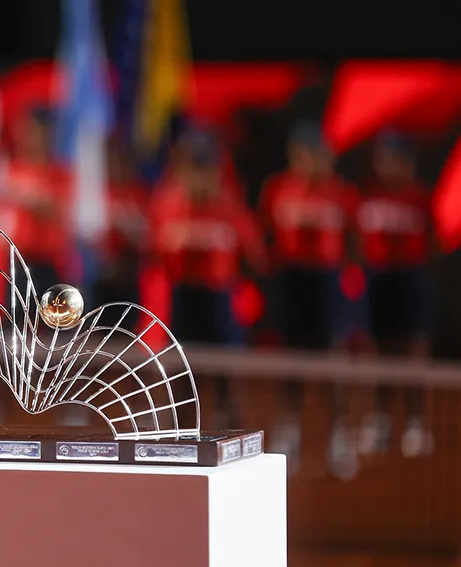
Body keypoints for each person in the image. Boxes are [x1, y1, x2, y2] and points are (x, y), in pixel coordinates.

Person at [258, 120, 361, 476]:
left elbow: (354, 241)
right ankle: (290, 433)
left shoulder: (343, 194)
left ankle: (338, 437)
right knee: (290, 361)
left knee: (332, 361)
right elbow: (265, 237)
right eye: (305, 153)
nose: (312, 160)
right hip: (291, 281)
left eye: (318, 153)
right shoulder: (277, 190)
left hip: (328, 282)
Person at [150, 129, 266, 429]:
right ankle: (179, 435)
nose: (198, 178)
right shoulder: (167, 204)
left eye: (205, 169)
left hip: (219, 300)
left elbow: (256, 257)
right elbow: (153, 252)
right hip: (182, 300)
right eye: (192, 168)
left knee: (227, 379)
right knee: (181, 379)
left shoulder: (230, 207)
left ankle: (231, 432)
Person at [357, 131, 435, 457]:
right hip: (378, 280)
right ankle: (381, 419)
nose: (387, 164)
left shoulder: (421, 198)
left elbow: (435, 241)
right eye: (383, 157)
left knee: (412, 350)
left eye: (394, 158)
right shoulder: (366, 195)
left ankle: (415, 421)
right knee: (379, 351)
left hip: (410, 280)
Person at [0, 109, 71, 292]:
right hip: (15, 261)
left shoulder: (58, 173)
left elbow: (61, 212)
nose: (24, 137)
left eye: (31, 131)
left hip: (47, 263)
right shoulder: (9, 169)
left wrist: (34, 200)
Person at [93, 137, 148, 329]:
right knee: (99, 330)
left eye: (119, 161)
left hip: (128, 274)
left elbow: (146, 237)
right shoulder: (98, 194)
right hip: (101, 275)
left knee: (127, 330)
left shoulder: (137, 195)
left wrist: (125, 225)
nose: (115, 167)